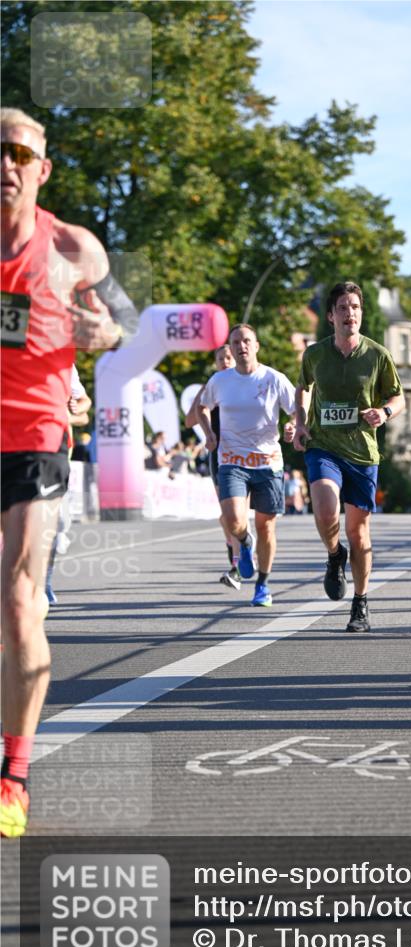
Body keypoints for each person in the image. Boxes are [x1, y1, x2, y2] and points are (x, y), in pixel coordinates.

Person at [1, 107, 137, 837]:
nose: (6, 163)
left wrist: (104, 332)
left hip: (33, 432)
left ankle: (13, 774)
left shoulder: (73, 249)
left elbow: (126, 319)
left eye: (20, 151)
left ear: (41, 168)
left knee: (20, 603)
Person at [294, 281, 404, 633]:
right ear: (330, 316)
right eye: (342, 307)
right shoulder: (315, 355)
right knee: (325, 506)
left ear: (361, 314)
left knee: (359, 532)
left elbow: (398, 397)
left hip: (362, 452)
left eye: (355, 307)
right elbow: (304, 388)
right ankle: (332, 554)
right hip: (324, 446)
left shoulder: (377, 355)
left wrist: (384, 413)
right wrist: (299, 423)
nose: (349, 313)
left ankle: (360, 603)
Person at [197, 324, 296, 608]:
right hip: (232, 460)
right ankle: (243, 540)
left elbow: (298, 411)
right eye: (236, 342)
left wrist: (292, 426)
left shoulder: (274, 379)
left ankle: (263, 585)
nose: (242, 346)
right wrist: (210, 433)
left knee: (267, 527)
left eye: (247, 341)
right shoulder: (220, 380)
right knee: (233, 520)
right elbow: (202, 407)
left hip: (268, 463)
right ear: (231, 347)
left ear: (256, 346)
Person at [186, 343, 245, 589]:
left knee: (241, 515)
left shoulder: (245, 383)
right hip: (219, 456)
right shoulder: (212, 388)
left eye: (229, 357)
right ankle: (236, 562)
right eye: (220, 358)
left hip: (246, 454)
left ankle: (242, 567)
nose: (225, 362)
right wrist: (206, 389)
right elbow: (190, 421)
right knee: (227, 518)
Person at [44, 364, 92, 605]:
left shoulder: (63, 361)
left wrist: (74, 409)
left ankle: (46, 581)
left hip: (58, 451)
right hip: (15, 449)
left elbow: (84, 404)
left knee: (56, 523)